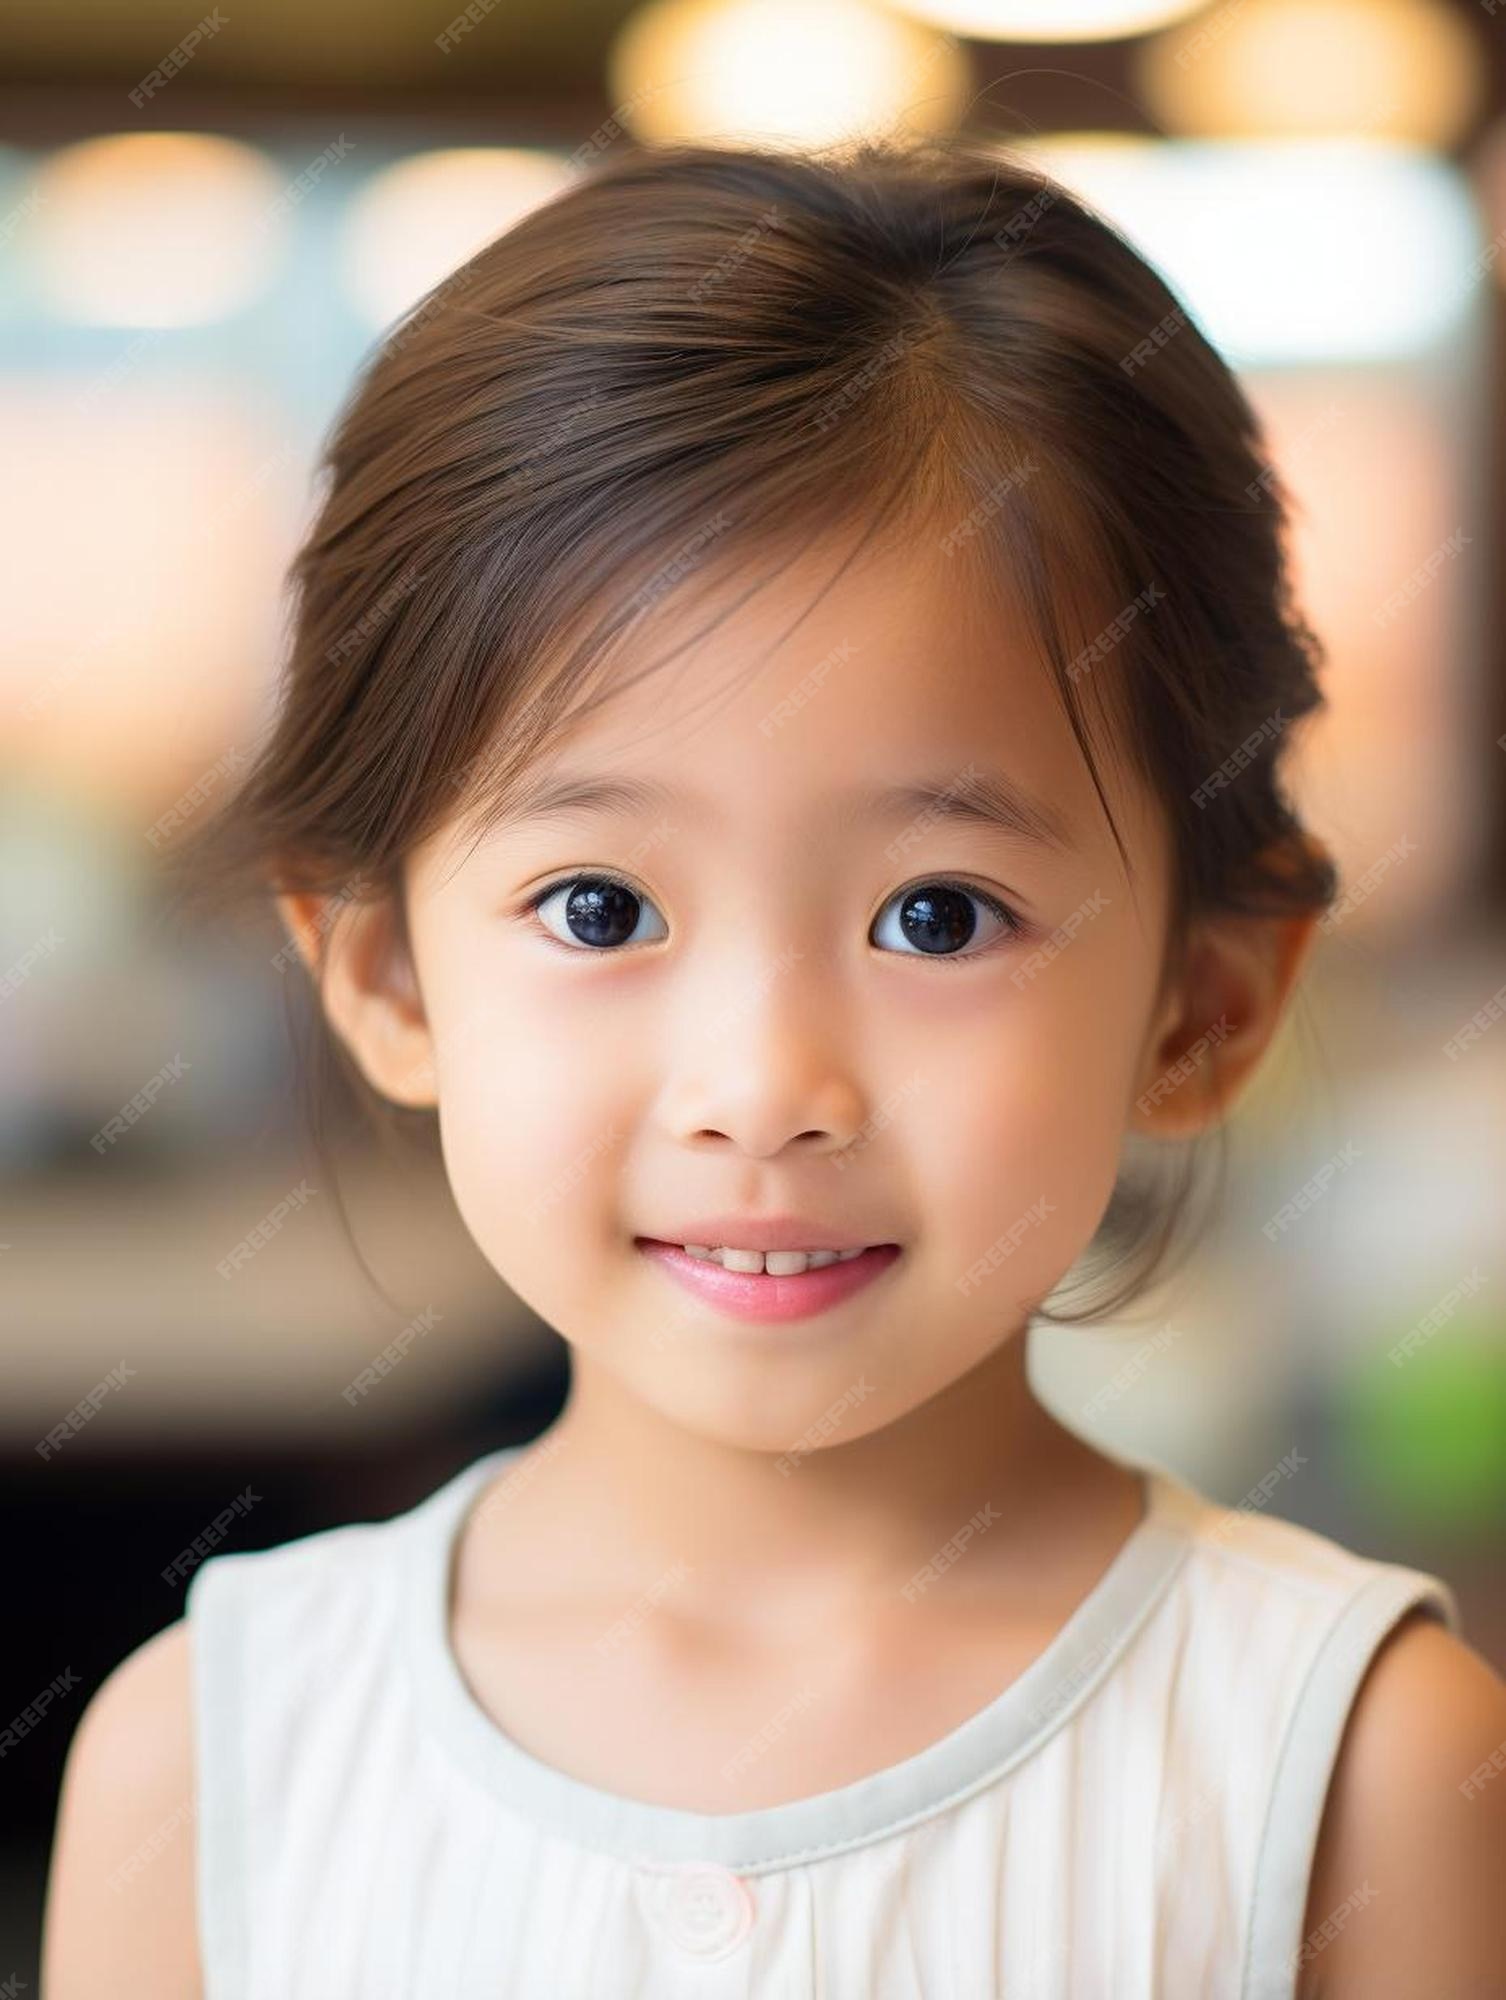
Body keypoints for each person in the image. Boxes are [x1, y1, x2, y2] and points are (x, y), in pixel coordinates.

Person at [42, 135, 1505, 1998]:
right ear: (383, 971)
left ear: (1199, 1009)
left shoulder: (1359, 1769)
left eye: (938, 918)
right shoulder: (215, 1753)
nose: (764, 1086)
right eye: (595, 907)